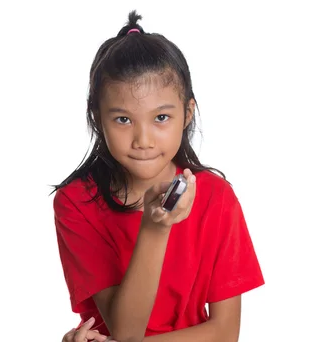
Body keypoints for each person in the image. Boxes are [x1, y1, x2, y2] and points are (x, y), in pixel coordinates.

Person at [52, 10, 264, 342]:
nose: (143, 140)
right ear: (97, 118)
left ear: (187, 113)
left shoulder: (216, 198)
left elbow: (224, 332)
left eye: (161, 117)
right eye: (123, 120)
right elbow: (126, 330)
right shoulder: (76, 202)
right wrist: (155, 227)